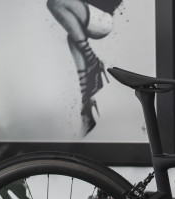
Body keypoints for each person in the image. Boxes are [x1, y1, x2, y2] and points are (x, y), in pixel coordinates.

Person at [47, 0, 123, 135]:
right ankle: (86, 104)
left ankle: (92, 59)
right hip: (94, 17)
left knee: (54, 3)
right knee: (73, 39)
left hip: (102, 18)